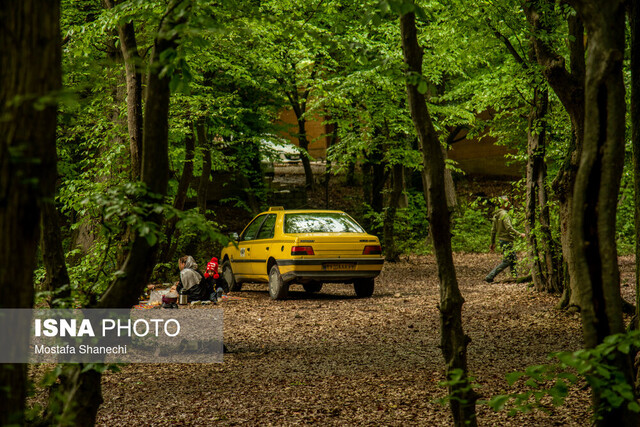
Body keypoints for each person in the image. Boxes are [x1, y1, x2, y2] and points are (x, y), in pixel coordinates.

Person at [484, 196, 525, 283]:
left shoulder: (496, 214)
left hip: (502, 240)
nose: (509, 204)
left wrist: (492, 242)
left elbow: (493, 230)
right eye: (507, 202)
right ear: (503, 204)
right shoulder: (504, 215)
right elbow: (509, 228)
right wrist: (520, 234)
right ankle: (490, 276)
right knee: (507, 261)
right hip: (506, 240)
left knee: (513, 259)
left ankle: (515, 277)